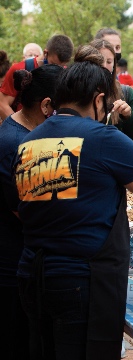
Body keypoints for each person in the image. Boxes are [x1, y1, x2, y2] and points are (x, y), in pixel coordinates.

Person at [15, 59, 133, 360]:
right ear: (99, 99)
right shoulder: (104, 138)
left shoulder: (29, 142)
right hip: (81, 280)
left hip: (34, 274)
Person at [0, 64, 63, 360]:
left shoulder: (30, 134)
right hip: (12, 264)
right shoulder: (16, 142)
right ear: (47, 105)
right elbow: (25, 210)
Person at [89, 39, 133, 151]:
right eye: (99, 61)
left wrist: (129, 116)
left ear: (114, 65)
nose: (104, 66)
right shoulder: (77, 91)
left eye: (109, 62)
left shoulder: (125, 92)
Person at [0, 35, 74, 120]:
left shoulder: (66, 73)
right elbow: (2, 104)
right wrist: (20, 127)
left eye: (62, 66)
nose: (57, 69)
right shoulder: (20, 68)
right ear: (46, 53)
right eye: (53, 64)